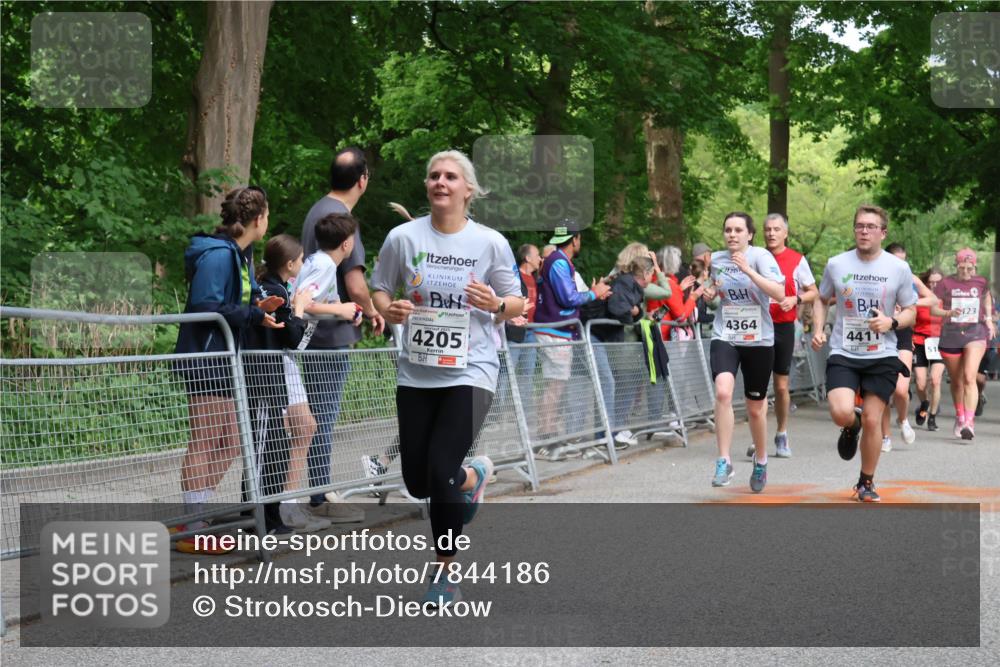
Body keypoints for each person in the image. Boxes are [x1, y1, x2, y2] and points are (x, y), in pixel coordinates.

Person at [370, 149, 524, 607]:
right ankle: (469, 477)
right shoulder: (403, 237)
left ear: (468, 189)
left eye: (450, 176)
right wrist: (387, 307)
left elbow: (517, 303)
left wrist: (494, 304)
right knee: (418, 480)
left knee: (436, 474)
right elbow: (380, 288)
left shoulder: (490, 243)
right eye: (434, 175)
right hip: (417, 370)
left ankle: (444, 572)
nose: (440, 182)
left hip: (473, 369)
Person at [173, 186, 284, 553]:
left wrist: (258, 307)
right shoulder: (220, 255)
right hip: (206, 357)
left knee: (233, 440)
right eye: (267, 216)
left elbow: (234, 301)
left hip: (225, 357)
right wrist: (251, 313)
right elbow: (206, 304)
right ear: (258, 219)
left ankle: (197, 515)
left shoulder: (239, 255)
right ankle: (191, 525)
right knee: (205, 439)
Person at [299, 147, 385, 523]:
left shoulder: (315, 212)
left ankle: (313, 492)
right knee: (323, 415)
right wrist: (372, 311)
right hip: (329, 335)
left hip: (313, 332)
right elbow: (355, 281)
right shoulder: (342, 219)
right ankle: (320, 496)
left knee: (312, 415)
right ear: (363, 180)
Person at [811, 205, 917, 502]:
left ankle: (866, 482)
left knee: (874, 419)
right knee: (841, 411)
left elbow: (911, 311)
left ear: (883, 233)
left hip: (882, 352)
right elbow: (821, 299)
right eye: (859, 226)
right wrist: (819, 328)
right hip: (845, 349)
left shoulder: (898, 268)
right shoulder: (837, 264)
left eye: (871, 227)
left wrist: (891, 322)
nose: (864, 231)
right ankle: (850, 425)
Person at [245, 234, 330, 534]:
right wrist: (299, 308)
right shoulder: (273, 290)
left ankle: (268, 516)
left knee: (274, 447)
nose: (305, 263)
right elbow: (293, 340)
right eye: (302, 259)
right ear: (291, 263)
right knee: (264, 447)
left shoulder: (273, 286)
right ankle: (260, 518)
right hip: (265, 378)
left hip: (271, 378)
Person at [707, 212, 785, 493]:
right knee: (723, 392)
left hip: (758, 339)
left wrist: (748, 270)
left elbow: (778, 292)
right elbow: (717, 289)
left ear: (749, 235)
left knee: (755, 409)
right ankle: (724, 460)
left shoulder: (761, 257)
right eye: (728, 229)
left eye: (738, 230)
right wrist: (709, 293)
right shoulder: (716, 260)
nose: (732, 235)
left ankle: (761, 460)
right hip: (726, 334)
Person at [533, 222, 611, 443]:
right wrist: (594, 293)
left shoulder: (559, 261)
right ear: (575, 239)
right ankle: (547, 435)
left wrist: (593, 293)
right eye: (580, 238)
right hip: (554, 331)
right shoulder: (558, 262)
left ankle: (548, 433)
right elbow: (568, 298)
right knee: (555, 384)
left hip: (558, 331)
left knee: (556, 383)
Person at [754, 212, 818, 459]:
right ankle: (756, 436)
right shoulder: (755, 257)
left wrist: (795, 299)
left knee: (781, 386)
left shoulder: (796, 259)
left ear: (785, 233)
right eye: (767, 229)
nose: (771, 233)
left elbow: (814, 291)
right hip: (758, 326)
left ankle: (781, 433)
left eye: (776, 229)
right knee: (757, 385)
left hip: (783, 327)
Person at [930, 248, 996, 440]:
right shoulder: (946, 283)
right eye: (962, 267)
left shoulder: (981, 282)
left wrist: (990, 319)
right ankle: (960, 416)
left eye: (970, 268)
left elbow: (987, 299)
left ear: (974, 266)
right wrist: (947, 314)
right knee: (957, 381)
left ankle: (969, 422)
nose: (966, 272)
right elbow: (934, 309)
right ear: (956, 265)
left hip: (975, 333)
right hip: (951, 335)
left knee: (969, 377)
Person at [879, 242, 936, 452]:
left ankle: (902, 420)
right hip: (880, 333)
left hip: (902, 333)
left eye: (904, 261)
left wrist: (910, 304)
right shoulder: (877, 276)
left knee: (901, 391)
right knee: (884, 390)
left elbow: (933, 299)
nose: (901, 266)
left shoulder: (911, 279)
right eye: (897, 261)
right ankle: (885, 436)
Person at [648, 245, 708, 341]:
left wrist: (679, 289)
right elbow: (681, 316)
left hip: (653, 332)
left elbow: (664, 304)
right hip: (663, 337)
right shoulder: (670, 284)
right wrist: (693, 297)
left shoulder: (653, 280)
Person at [913, 267, 945, 431]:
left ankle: (932, 417)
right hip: (920, 340)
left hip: (940, 342)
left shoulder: (947, 299)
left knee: (936, 379)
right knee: (920, 383)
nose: (934, 285)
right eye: (930, 282)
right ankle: (925, 403)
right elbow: (910, 319)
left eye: (937, 282)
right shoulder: (919, 299)